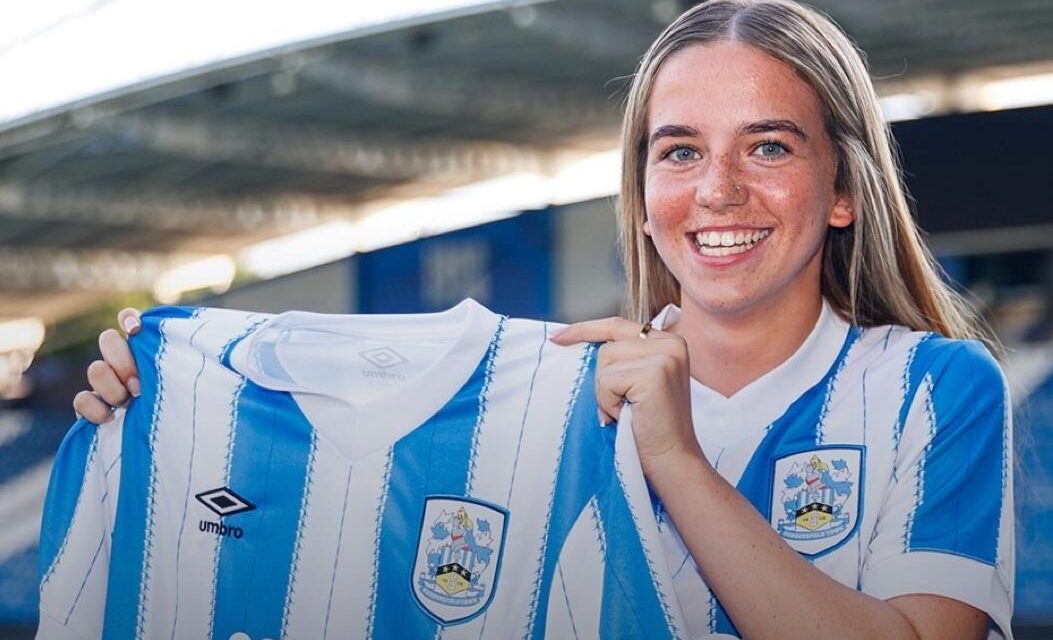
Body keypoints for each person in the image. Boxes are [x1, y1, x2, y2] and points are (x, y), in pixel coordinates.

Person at [73, 0, 1013, 638]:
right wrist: (172, 415)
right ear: (642, 197)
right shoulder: (542, 398)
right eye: (678, 152)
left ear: (843, 187)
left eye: (768, 145)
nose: (718, 190)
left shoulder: (932, 389)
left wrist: (677, 462)